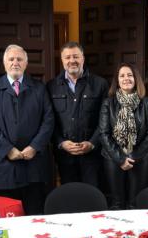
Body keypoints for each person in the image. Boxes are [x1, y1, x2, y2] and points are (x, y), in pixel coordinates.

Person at [0, 44, 54, 215]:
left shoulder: (39, 88)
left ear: (26, 64)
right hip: (5, 165)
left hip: (34, 164)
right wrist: (8, 149)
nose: (15, 63)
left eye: (19, 59)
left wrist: (34, 146)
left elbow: (48, 120)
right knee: (7, 217)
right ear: (4, 63)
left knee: (35, 215)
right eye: (11, 59)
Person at [46, 41, 108, 186]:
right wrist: (61, 143)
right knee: (70, 197)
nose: (72, 60)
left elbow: (105, 120)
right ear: (62, 60)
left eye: (76, 56)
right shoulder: (51, 86)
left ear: (83, 58)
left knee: (92, 197)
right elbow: (49, 121)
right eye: (67, 57)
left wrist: (92, 143)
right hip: (64, 156)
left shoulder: (100, 84)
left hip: (93, 155)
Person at [99, 63, 148, 209]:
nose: (126, 78)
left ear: (136, 79)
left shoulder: (147, 103)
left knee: (136, 202)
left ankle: (135, 232)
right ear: (117, 80)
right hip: (113, 158)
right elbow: (103, 132)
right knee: (117, 202)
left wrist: (134, 156)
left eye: (130, 75)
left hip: (140, 158)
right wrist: (120, 158)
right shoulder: (108, 103)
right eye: (122, 76)